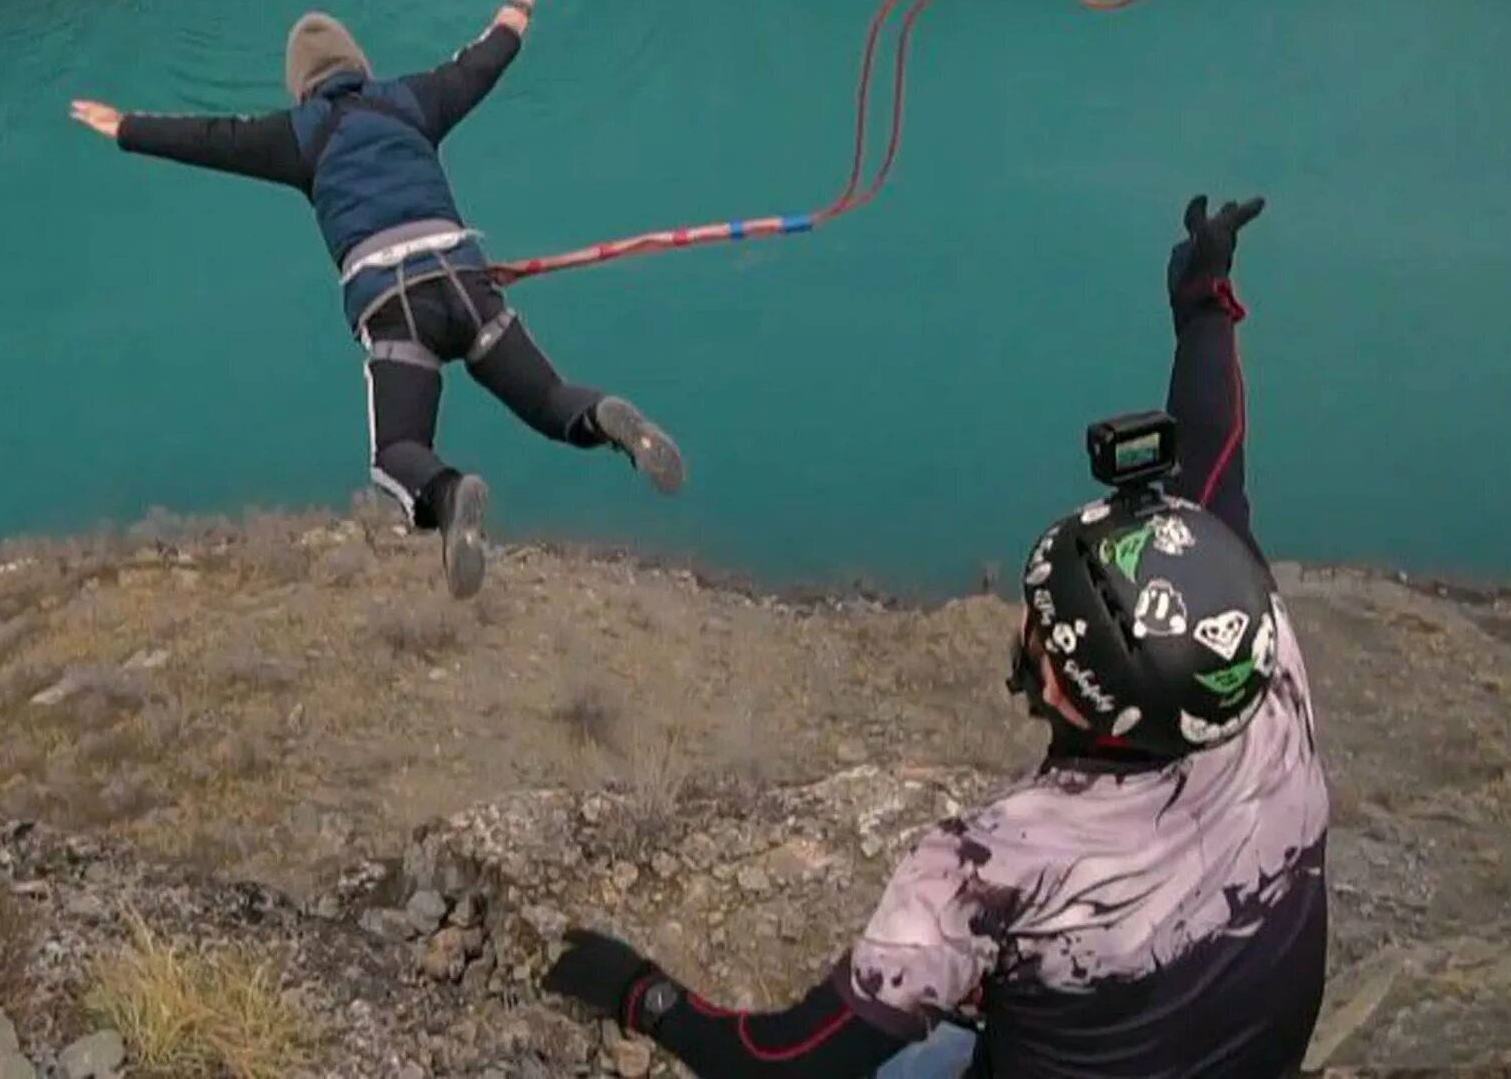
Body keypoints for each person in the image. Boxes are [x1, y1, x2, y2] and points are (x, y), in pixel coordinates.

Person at [533, 195, 1331, 1078]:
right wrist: (1204, 305)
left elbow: (789, 1065)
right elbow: (1214, 452)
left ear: (1065, 690)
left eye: (1039, 621)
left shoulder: (989, 869)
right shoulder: (1260, 663)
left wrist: (642, 992)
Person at [67, 0, 686, 599]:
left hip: (395, 303)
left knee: (398, 452)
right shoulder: (413, 100)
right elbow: (479, 66)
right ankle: (606, 419)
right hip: (465, 277)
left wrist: (126, 127)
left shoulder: (295, 136)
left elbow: (210, 138)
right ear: (361, 65)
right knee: (551, 399)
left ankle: (451, 495)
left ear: (299, 85)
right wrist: (513, 15)